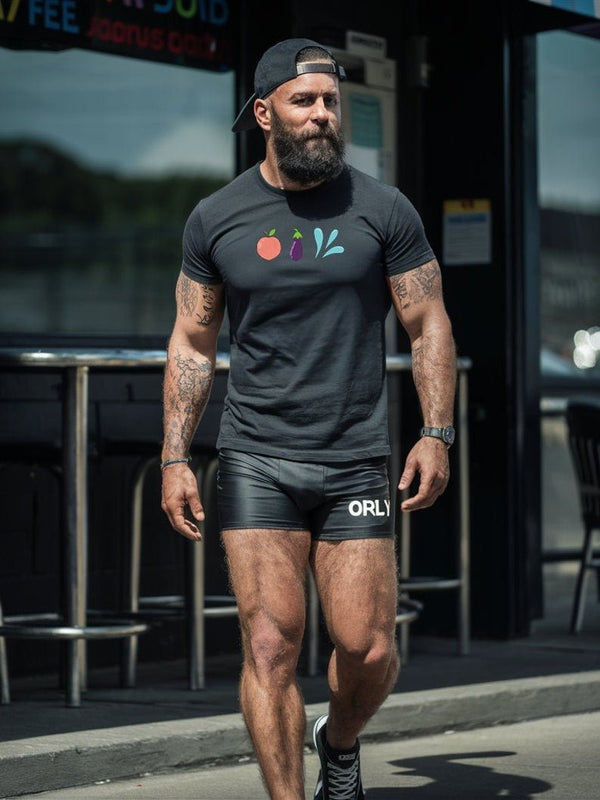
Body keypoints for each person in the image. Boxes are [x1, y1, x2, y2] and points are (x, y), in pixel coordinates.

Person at [161, 37, 456, 800]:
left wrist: (436, 430)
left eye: (331, 102)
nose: (324, 115)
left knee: (366, 648)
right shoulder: (216, 217)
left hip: (354, 456)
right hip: (257, 453)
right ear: (265, 113)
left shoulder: (384, 210)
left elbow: (427, 324)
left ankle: (341, 740)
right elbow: (192, 341)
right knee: (268, 644)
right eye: (306, 101)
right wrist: (173, 456)